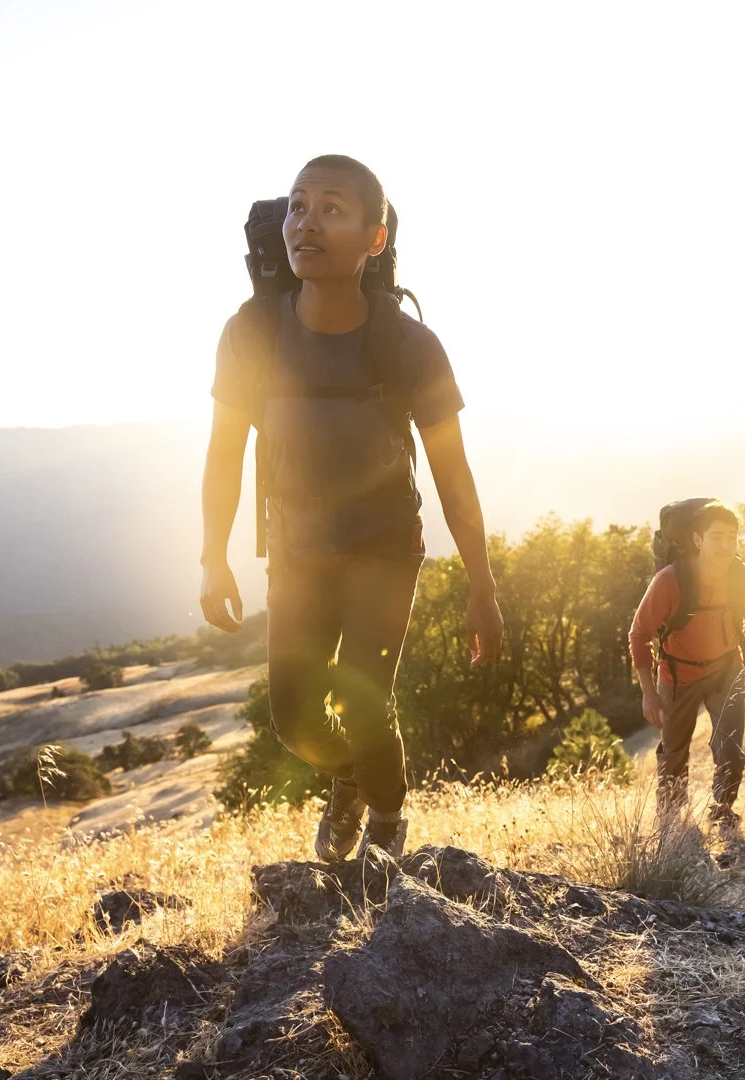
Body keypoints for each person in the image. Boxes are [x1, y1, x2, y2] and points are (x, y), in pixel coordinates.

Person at [198, 155, 504, 862]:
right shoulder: (252, 332)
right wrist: (213, 556)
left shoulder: (409, 345)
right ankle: (347, 780)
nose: (305, 222)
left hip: (384, 546)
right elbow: (222, 454)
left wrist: (482, 588)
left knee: (365, 699)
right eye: (298, 206)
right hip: (296, 548)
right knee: (294, 719)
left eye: (331, 208)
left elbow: (454, 476)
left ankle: (389, 828)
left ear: (374, 237)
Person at [628, 501, 745, 827]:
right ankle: (671, 819)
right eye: (717, 536)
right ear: (697, 540)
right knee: (674, 753)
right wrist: (649, 693)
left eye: (732, 536)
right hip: (678, 676)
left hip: (726, 671)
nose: (726, 545)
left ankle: (722, 811)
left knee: (731, 750)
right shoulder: (669, 581)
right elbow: (639, 635)